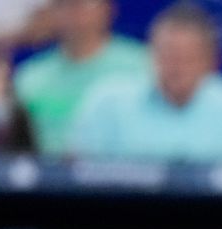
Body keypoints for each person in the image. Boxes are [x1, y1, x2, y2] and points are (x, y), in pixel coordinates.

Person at [67, 1, 222, 163]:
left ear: (210, 61)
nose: (176, 67)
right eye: (168, 55)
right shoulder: (107, 102)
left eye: (188, 57)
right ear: (150, 52)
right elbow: (77, 176)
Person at [14, 0, 150, 156]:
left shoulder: (141, 65)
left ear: (107, 9)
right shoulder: (30, 76)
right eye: (64, 5)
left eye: (83, 4)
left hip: (121, 172)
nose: (74, 12)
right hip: (48, 174)